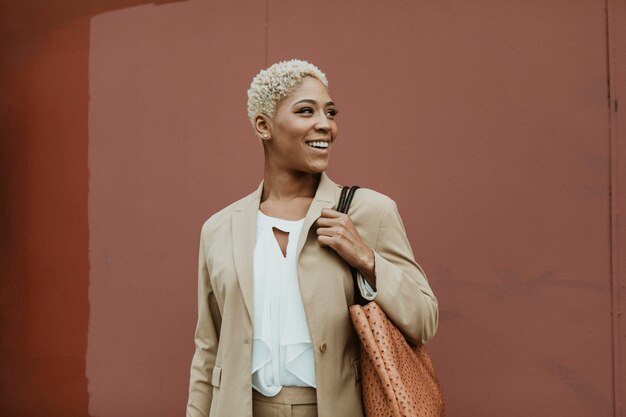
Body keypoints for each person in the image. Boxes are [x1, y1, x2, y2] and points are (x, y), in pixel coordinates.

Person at [186, 59, 438, 417]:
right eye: (306, 111)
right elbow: (208, 349)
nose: (325, 124)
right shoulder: (220, 228)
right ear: (263, 126)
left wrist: (366, 258)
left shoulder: (368, 211)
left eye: (330, 112)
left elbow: (424, 320)